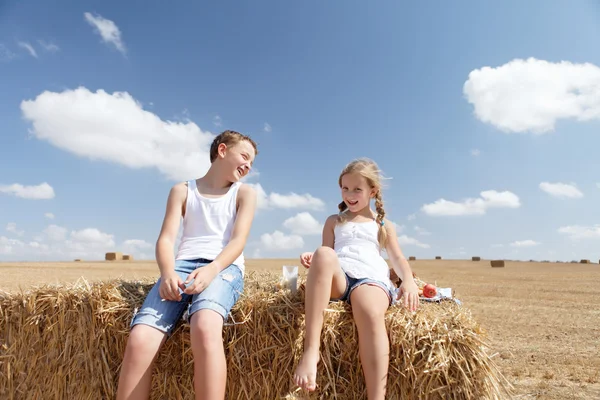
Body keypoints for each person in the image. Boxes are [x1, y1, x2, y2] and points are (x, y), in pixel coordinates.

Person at [116, 130, 258, 400]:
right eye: (245, 156)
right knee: (140, 339)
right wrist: (167, 272)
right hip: (181, 266)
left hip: (224, 266)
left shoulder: (245, 193)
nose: (248, 165)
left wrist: (212, 269)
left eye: (252, 162)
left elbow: (238, 241)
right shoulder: (182, 190)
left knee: (204, 324)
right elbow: (166, 239)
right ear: (223, 150)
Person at [293, 158, 420, 399]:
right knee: (323, 253)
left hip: (369, 279)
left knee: (370, 312)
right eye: (345, 188)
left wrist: (409, 282)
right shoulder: (333, 221)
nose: (350, 194)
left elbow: (398, 258)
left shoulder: (382, 224)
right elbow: (328, 252)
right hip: (340, 278)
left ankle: (376, 396)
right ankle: (311, 352)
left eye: (357, 189)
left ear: (372, 191)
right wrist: (316, 258)